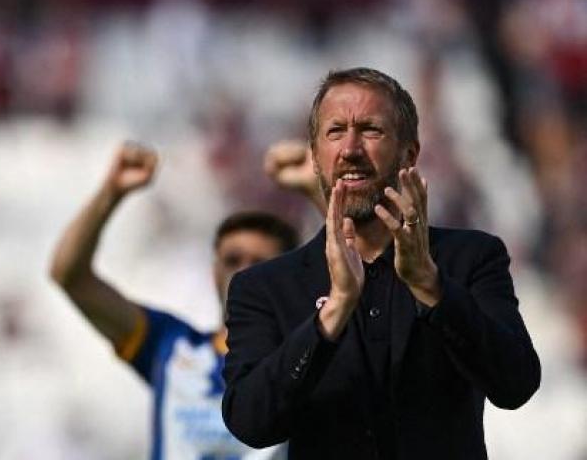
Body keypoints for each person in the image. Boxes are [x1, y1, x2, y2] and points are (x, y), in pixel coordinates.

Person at [221, 68, 541, 459]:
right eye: (335, 131)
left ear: (409, 153)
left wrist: (432, 287)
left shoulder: (470, 259)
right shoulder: (264, 287)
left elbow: (515, 385)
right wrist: (333, 313)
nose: (351, 148)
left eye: (371, 130)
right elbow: (249, 422)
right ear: (316, 156)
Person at [49, 143, 317, 460]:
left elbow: (374, 279)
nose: (244, 272)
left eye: (259, 262)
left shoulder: (311, 362)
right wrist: (111, 192)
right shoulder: (171, 346)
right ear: (214, 273)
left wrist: (317, 189)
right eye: (232, 260)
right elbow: (71, 276)